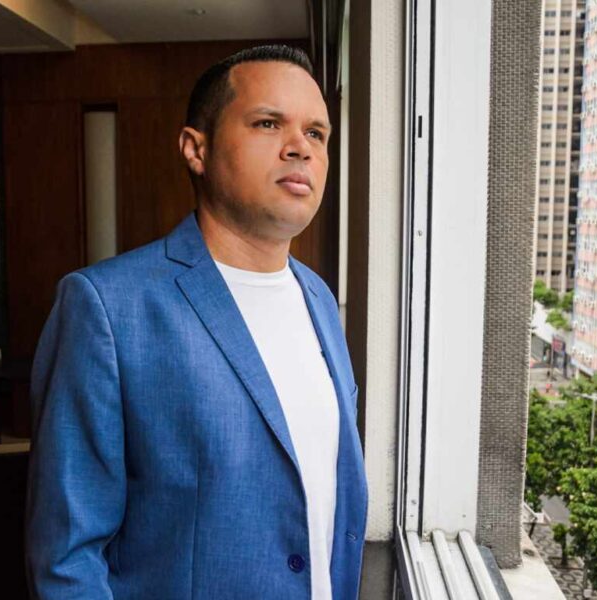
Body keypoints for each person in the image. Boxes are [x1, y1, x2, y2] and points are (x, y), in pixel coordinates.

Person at [27, 45, 367, 599]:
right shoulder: (107, 307)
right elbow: (67, 557)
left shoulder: (320, 300)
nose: (299, 148)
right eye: (268, 123)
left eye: (316, 133)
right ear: (196, 149)